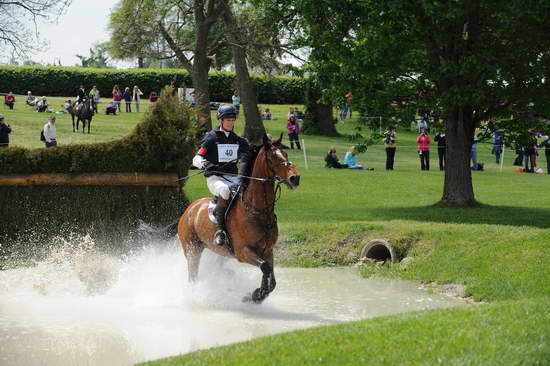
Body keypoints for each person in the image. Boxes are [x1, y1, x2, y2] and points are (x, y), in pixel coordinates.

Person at [191, 105, 250, 248]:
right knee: (225, 191)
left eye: (232, 120)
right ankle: (220, 230)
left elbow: (251, 151)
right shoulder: (211, 137)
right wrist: (203, 163)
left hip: (233, 178)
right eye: (228, 120)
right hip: (215, 178)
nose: (230, 123)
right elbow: (196, 157)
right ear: (221, 121)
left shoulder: (236, 139)